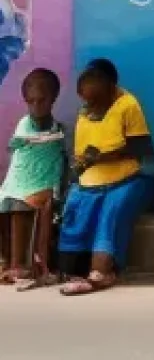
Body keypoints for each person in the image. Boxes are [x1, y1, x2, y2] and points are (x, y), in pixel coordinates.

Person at [58, 59, 154, 296]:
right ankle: (71, 271)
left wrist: (103, 157)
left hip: (125, 179)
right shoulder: (85, 111)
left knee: (110, 212)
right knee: (75, 207)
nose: (89, 105)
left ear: (111, 89)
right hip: (90, 181)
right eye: (85, 100)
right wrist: (78, 168)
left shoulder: (128, 105)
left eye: (95, 100)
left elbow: (142, 149)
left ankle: (101, 273)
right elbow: (81, 154)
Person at [0, 68, 66, 290]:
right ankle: (8, 261)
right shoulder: (24, 125)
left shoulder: (58, 130)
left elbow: (54, 161)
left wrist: (53, 189)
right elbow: (19, 156)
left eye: (42, 100)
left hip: (43, 182)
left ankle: (21, 265)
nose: (36, 106)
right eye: (31, 101)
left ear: (54, 97)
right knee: (8, 201)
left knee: (22, 205)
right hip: (19, 180)